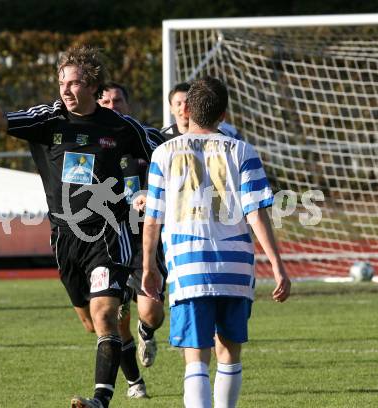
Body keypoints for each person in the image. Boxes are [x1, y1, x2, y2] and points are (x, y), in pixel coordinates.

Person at [0, 44, 157, 408]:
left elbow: (163, 155)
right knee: (92, 323)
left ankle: (100, 400)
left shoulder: (122, 128)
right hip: (64, 238)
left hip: (107, 233)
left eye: (73, 83)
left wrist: (149, 191)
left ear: (92, 85)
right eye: (61, 83)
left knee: (104, 314)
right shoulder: (49, 120)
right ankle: (125, 344)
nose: (66, 90)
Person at [142, 76, 291, 408]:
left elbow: (153, 217)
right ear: (223, 114)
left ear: (188, 109)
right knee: (230, 353)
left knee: (196, 357)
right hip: (235, 266)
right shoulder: (242, 150)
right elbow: (256, 214)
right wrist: (279, 267)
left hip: (188, 264)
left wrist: (149, 266)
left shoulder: (164, 153)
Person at [98, 82, 167, 370]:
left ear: (128, 105)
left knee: (151, 313)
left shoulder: (149, 138)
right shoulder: (89, 141)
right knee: (105, 317)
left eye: (117, 101)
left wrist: (152, 196)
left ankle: (146, 331)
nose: (113, 107)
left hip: (144, 235)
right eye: (106, 103)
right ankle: (132, 382)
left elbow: (171, 173)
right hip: (107, 235)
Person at [161, 81, 242, 141]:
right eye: (178, 104)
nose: (184, 108)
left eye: (187, 103)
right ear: (171, 108)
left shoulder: (221, 135)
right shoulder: (161, 137)